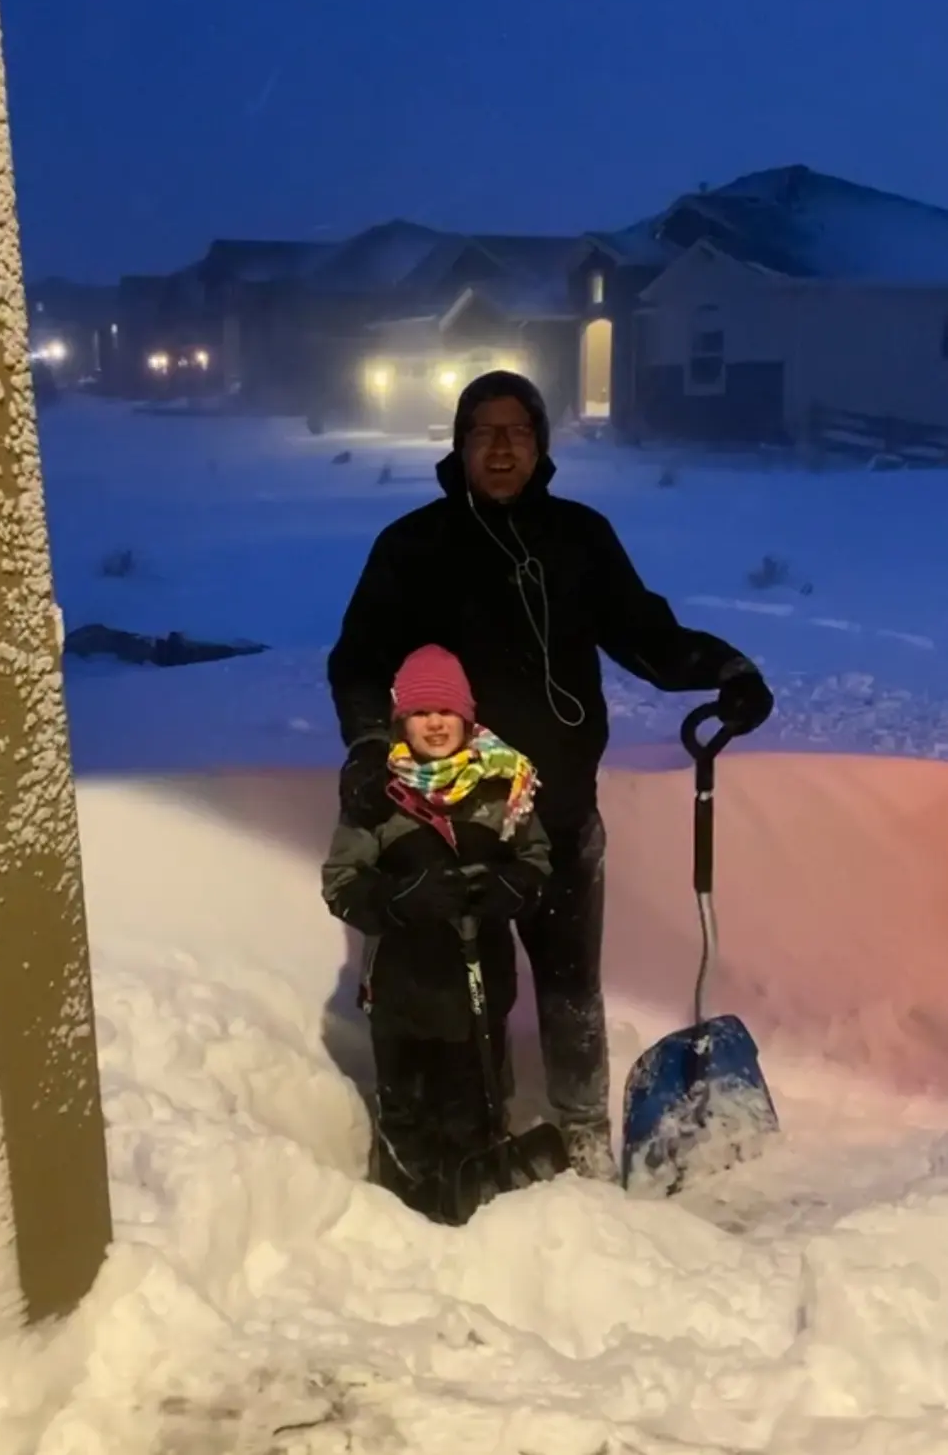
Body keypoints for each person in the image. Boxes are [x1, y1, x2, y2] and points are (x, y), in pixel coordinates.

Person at [327, 370, 774, 1181]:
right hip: (458, 830)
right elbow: (358, 661)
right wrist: (365, 746)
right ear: (459, 445)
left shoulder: (579, 537)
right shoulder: (414, 547)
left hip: (561, 817)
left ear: (541, 444)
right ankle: (481, 1133)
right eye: (484, 432)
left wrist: (727, 670)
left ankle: (583, 1138)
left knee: (572, 991)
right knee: (475, 990)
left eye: (519, 431)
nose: (502, 448)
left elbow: (646, 635)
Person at [321, 643, 551, 1222]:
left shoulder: (502, 784)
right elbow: (341, 883)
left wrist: (511, 886)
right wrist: (401, 900)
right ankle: (411, 1214)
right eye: (421, 712)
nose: (435, 723)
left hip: (481, 986)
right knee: (409, 1111)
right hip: (403, 993)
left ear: (467, 717)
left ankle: (478, 1208)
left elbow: (537, 860)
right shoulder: (377, 794)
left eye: (446, 711)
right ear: (401, 720)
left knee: (478, 1103)